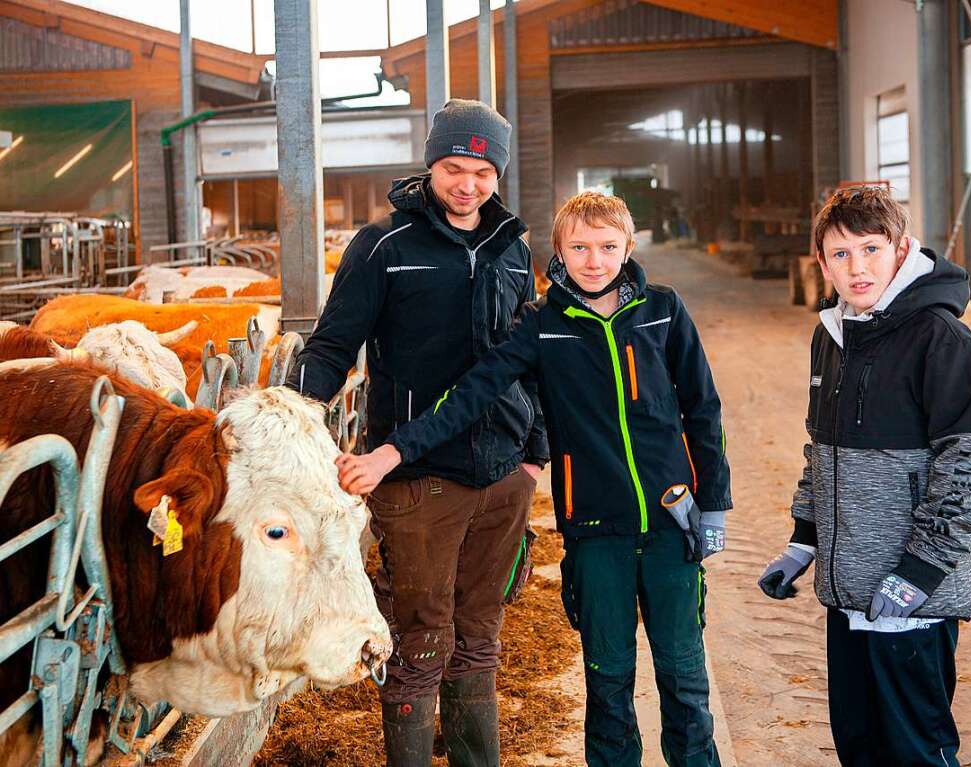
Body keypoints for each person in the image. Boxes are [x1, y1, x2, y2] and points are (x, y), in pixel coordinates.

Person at [341, 191, 732, 767]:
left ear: (629, 246)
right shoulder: (541, 325)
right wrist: (392, 452)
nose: (594, 260)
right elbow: (470, 395)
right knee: (608, 676)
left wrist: (713, 504)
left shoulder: (664, 310)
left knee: (683, 674)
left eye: (606, 247)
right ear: (558, 254)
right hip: (595, 531)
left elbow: (703, 408)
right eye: (579, 248)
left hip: (673, 523)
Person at [286, 99, 548, 767]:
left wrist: (534, 457)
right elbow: (332, 344)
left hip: (503, 474)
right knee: (421, 637)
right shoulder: (383, 246)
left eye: (482, 173)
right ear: (431, 165)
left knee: (481, 635)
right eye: (453, 168)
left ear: (498, 176)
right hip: (414, 474)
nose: (467, 184)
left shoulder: (512, 250)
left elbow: (529, 357)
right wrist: (293, 415)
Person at [757, 186, 971, 766]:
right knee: (859, 745)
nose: (857, 267)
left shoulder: (940, 338)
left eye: (870, 249)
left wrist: (918, 572)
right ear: (821, 263)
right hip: (849, 594)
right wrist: (803, 540)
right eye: (839, 255)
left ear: (900, 249)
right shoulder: (833, 336)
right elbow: (823, 451)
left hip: (910, 598)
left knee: (915, 750)